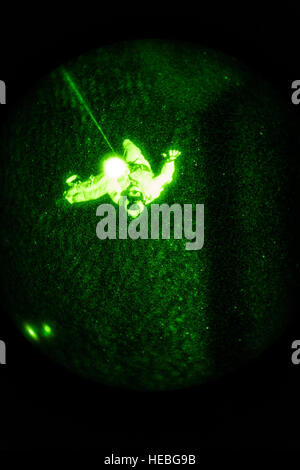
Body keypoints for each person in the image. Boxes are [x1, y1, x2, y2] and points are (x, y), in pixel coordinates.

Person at [63, 139, 181, 218]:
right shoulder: (151, 189)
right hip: (137, 163)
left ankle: (71, 196)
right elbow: (166, 176)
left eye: (131, 194)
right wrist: (170, 160)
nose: (133, 189)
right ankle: (121, 136)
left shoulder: (120, 197)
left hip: (121, 174)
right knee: (127, 144)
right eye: (136, 193)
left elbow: (99, 188)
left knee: (97, 188)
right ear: (143, 196)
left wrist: (74, 192)